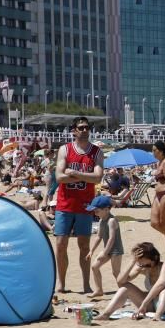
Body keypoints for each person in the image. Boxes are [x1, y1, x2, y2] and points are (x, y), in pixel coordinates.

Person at [53, 117, 104, 294]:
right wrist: (86, 176)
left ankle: (85, 284)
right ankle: (62, 283)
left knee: (84, 246)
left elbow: (98, 178)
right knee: (60, 244)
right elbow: (59, 177)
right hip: (64, 204)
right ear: (73, 130)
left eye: (87, 127)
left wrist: (74, 173)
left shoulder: (96, 152)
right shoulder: (64, 150)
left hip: (85, 205)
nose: (84, 130)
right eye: (81, 127)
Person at [95, 242, 165, 321]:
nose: (142, 264)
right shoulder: (142, 266)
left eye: (142, 261)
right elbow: (120, 282)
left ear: (155, 258)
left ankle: (157, 316)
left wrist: (144, 303)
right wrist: (132, 261)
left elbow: (161, 284)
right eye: (139, 261)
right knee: (125, 288)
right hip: (152, 304)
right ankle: (106, 315)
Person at [87, 195, 124, 299]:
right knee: (95, 267)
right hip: (107, 250)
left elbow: (112, 238)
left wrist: (104, 252)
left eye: (97, 211)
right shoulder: (101, 221)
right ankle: (99, 290)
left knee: (116, 272)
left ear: (107, 209)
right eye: (94, 210)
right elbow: (98, 236)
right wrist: (92, 251)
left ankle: (124, 292)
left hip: (116, 250)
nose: (95, 213)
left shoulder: (112, 220)